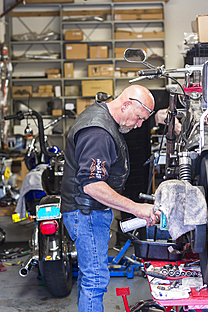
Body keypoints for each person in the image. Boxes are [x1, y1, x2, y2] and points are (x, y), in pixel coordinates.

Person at [61, 84, 160, 312]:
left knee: (91, 277)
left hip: (89, 212)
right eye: (138, 118)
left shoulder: (104, 118)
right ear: (126, 104)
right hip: (86, 213)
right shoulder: (99, 131)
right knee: (95, 280)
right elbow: (92, 186)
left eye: (143, 120)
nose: (139, 125)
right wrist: (136, 208)